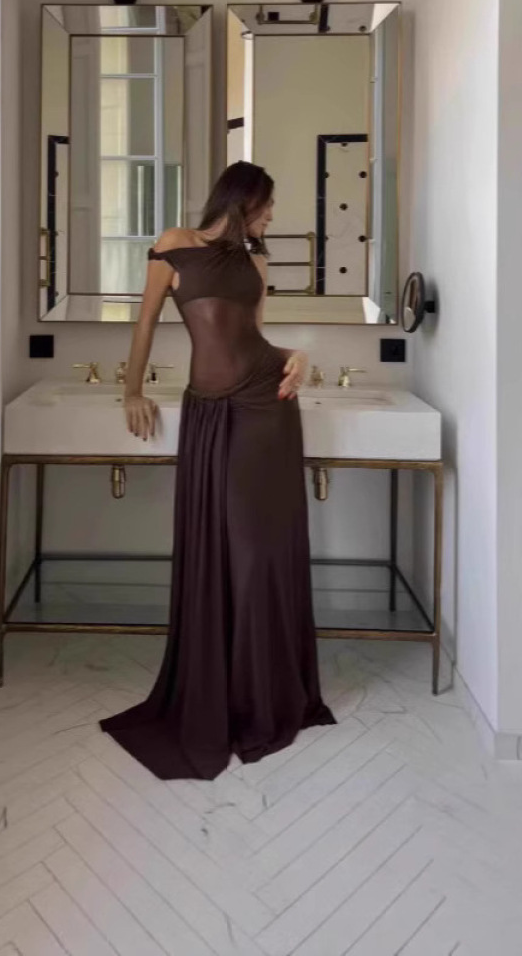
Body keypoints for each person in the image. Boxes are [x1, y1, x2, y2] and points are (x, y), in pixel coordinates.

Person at [99, 163, 336, 779]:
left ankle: (261, 695)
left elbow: (255, 338)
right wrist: (131, 391)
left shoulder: (257, 264)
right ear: (243, 200)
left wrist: (299, 355)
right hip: (208, 411)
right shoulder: (174, 244)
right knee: (218, 548)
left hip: (266, 408)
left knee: (259, 550)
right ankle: (218, 689)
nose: (272, 216)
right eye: (267, 205)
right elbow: (146, 323)